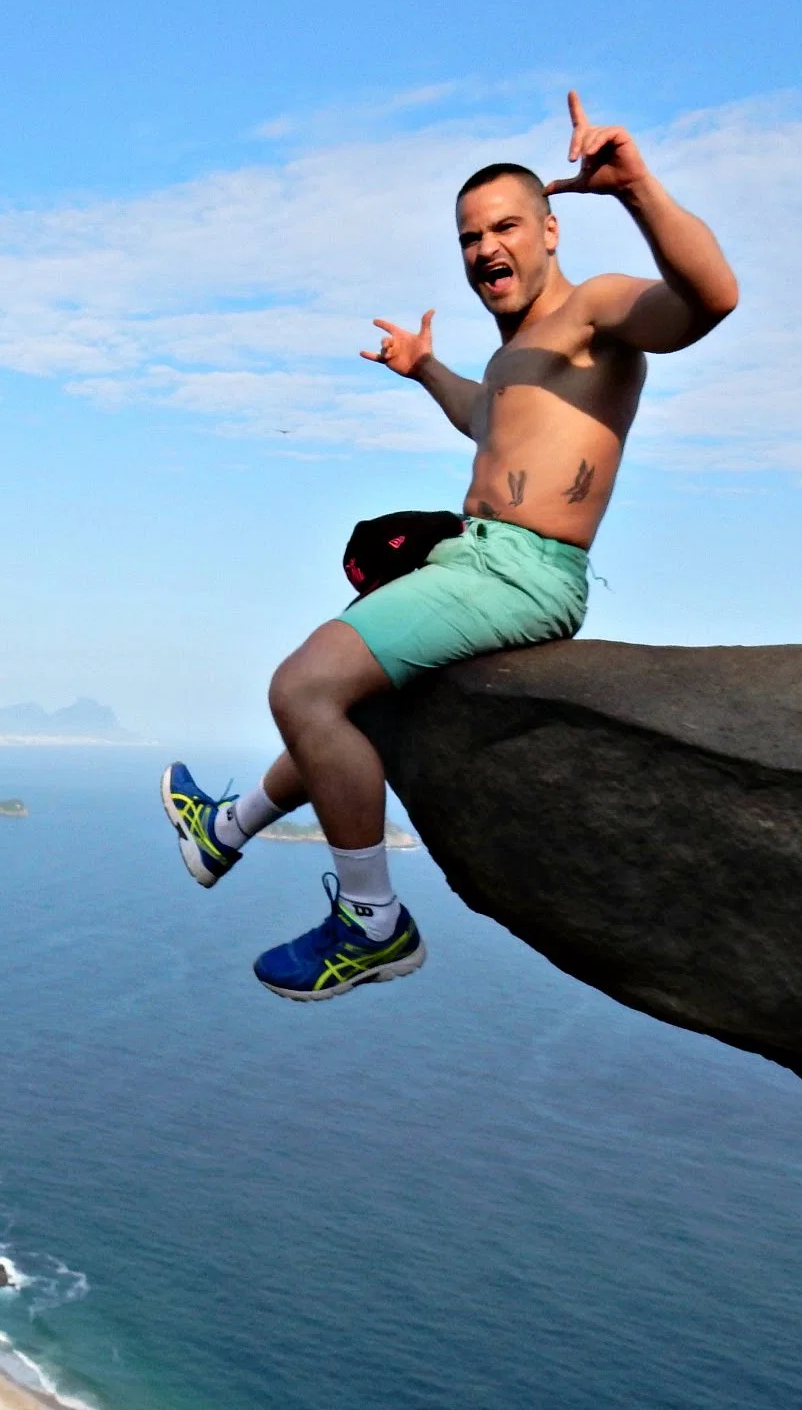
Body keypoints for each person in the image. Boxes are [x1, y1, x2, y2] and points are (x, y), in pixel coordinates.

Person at [162, 91, 739, 1001]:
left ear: (551, 229)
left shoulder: (595, 309)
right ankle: (227, 830)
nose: (485, 251)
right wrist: (424, 368)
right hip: (474, 555)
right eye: (470, 239)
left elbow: (711, 299)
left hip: (520, 569)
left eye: (505, 227)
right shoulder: (519, 351)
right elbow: (486, 418)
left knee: (301, 686)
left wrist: (637, 190)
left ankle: (371, 923)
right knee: (358, 700)